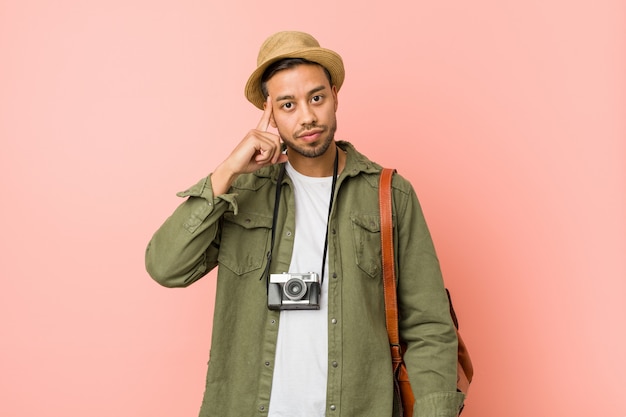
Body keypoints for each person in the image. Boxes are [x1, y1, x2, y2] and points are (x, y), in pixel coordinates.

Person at [145, 31, 465, 417]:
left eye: (316, 98)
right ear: (269, 113)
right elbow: (166, 267)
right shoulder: (241, 192)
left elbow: (430, 325)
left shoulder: (389, 194)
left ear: (334, 95)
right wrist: (227, 170)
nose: (307, 117)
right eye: (287, 105)